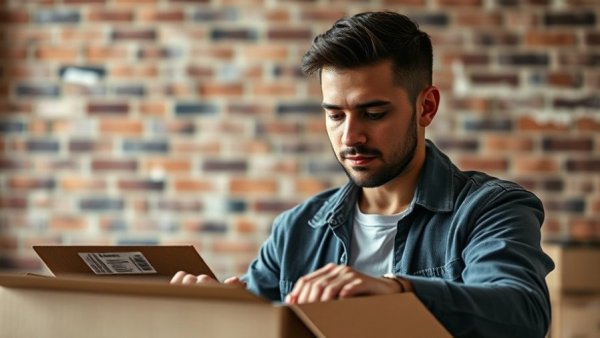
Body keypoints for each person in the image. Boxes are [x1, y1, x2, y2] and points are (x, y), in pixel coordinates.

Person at [171, 11, 554, 338]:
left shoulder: (491, 208)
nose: (350, 137)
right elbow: (256, 323)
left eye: (373, 113)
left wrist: (396, 292)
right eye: (335, 115)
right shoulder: (297, 229)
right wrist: (213, 309)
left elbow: (522, 313)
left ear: (426, 107)